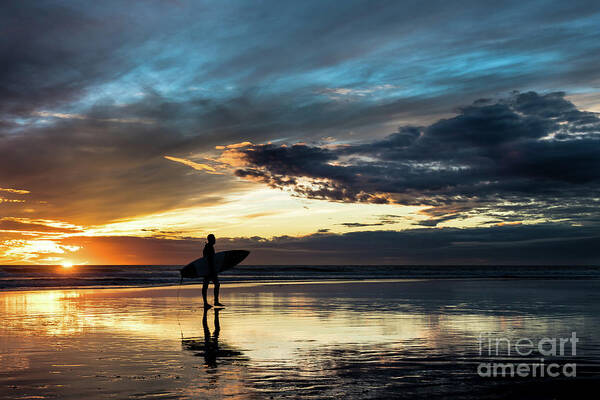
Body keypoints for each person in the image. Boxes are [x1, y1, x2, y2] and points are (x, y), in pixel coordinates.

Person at [202, 234, 223, 308]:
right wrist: (212, 270)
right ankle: (208, 302)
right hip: (209, 270)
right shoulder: (208, 247)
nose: (215, 240)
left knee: (211, 285)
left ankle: (213, 302)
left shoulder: (209, 247)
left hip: (209, 269)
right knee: (207, 286)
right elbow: (209, 259)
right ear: (210, 239)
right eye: (214, 238)